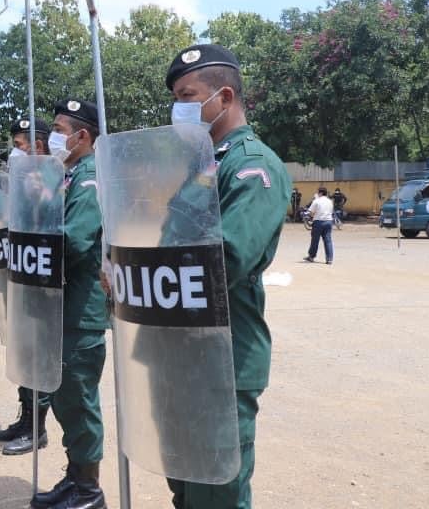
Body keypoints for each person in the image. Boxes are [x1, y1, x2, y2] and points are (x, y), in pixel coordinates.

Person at [161, 44, 290, 509]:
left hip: (225, 354)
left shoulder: (252, 166)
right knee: (185, 481)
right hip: (182, 349)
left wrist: (151, 271)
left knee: (215, 489)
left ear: (225, 97)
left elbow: (227, 257)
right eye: (175, 98)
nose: (178, 108)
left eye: (187, 96)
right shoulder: (200, 166)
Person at [30, 99, 109, 509]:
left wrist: (31, 242)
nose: (52, 137)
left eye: (59, 130)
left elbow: (74, 241)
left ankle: (88, 491)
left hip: (81, 310)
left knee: (78, 399)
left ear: (82, 136)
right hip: (60, 306)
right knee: (64, 398)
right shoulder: (68, 175)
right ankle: (76, 477)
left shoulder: (90, 178)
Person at [0, 117, 54, 457]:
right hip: (23, 279)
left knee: (38, 357)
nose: (13, 153)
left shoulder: (54, 180)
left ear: (37, 146)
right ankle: (26, 417)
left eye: (19, 146)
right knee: (24, 353)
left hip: (45, 285)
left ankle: (36, 427)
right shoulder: (21, 183)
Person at [304, 187, 334, 265]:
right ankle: (329, 259)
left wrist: (310, 217)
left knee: (315, 240)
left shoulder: (316, 201)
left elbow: (311, 212)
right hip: (328, 222)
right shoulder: (330, 201)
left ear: (320, 193)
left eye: (318, 192)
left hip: (318, 222)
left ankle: (311, 256)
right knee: (328, 240)